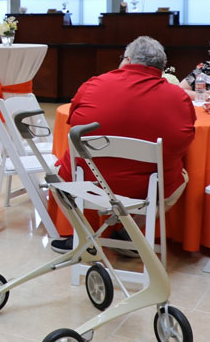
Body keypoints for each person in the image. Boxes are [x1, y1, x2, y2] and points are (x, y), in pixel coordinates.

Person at [50, 36, 196, 253]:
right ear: (161, 68)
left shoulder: (94, 84)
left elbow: (74, 122)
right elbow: (183, 142)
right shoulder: (178, 97)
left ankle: (84, 235)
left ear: (127, 60)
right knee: (180, 177)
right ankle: (129, 234)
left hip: (90, 181)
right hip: (147, 187)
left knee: (58, 173)